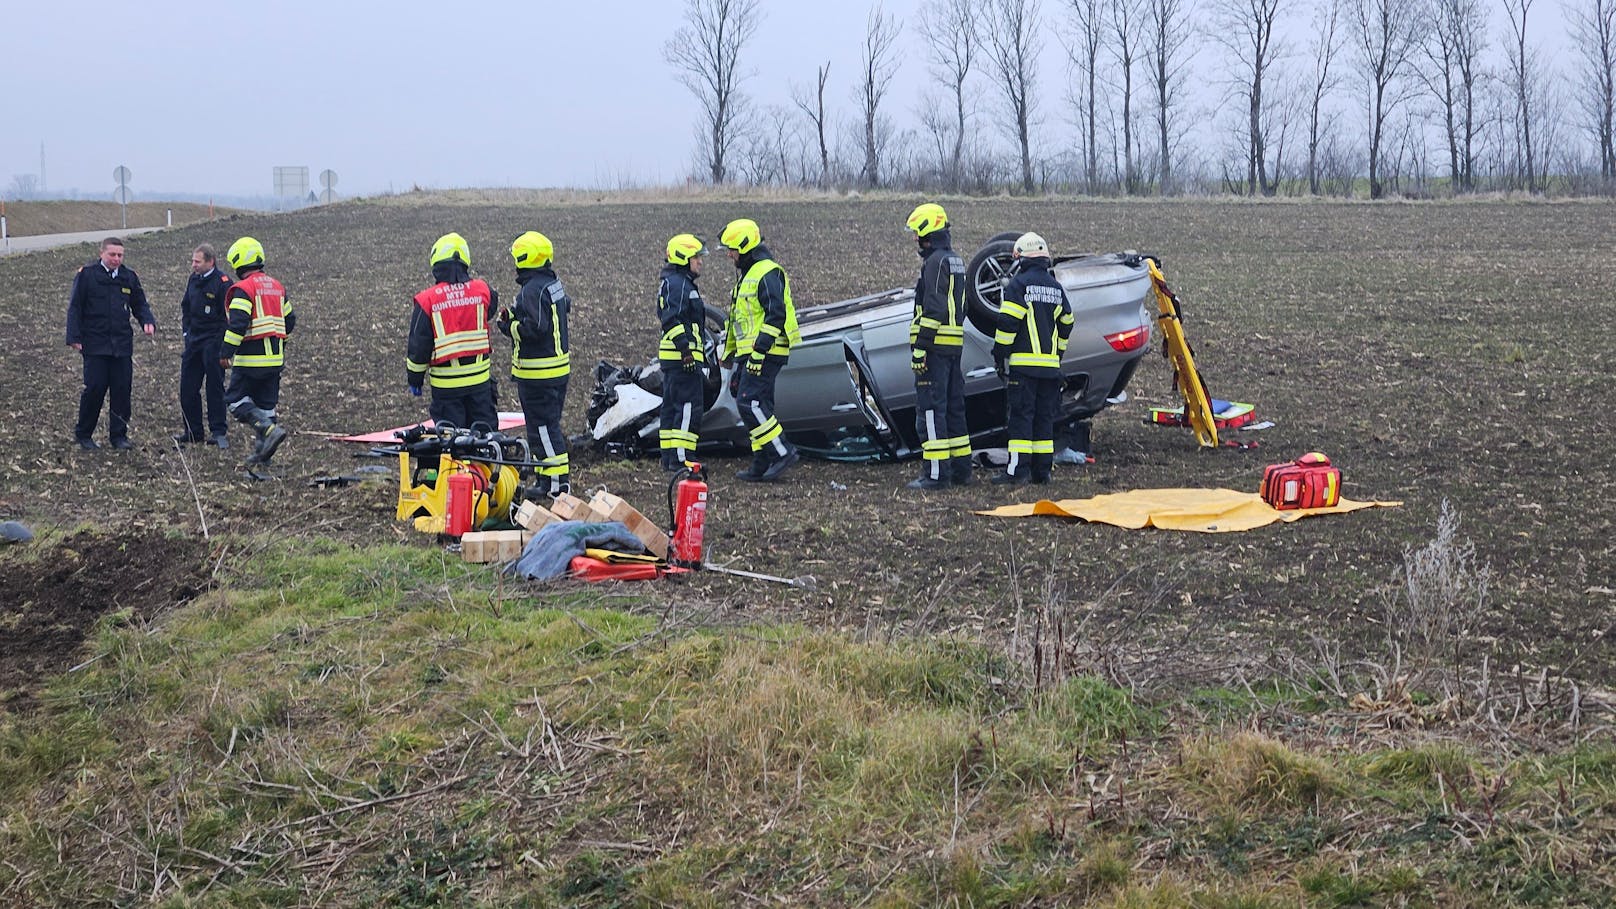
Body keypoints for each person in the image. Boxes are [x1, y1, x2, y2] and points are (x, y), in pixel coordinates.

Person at [720, 218, 799, 482]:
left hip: (766, 351)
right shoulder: (750, 275)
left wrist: (758, 352)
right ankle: (761, 463)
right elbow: (740, 322)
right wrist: (732, 357)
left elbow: (775, 315)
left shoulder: (766, 272)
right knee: (757, 404)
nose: (729, 254)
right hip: (752, 353)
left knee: (750, 402)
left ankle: (781, 451)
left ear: (745, 246)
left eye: (732, 249)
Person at [992, 232, 1073, 485]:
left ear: (1021, 258)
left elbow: (1007, 324)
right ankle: (1042, 472)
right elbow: (1067, 323)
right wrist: (1057, 354)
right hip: (1050, 370)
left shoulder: (1018, 286)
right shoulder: (1055, 288)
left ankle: (1017, 471)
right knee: (1043, 419)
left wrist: (999, 355)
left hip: (1024, 368)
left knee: (1021, 419)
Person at [496, 231, 571, 495]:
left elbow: (536, 327)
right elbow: (556, 310)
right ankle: (549, 480)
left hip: (539, 374)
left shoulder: (531, 288)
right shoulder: (552, 283)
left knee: (543, 430)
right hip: (557, 371)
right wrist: (518, 312)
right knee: (547, 428)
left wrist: (509, 326)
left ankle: (554, 486)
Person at [904, 203, 971, 489]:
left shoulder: (934, 263)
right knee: (954, 410)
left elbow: (933, 307)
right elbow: (961, 306)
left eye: (917, 234)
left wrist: (921, 346)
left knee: (930, 411)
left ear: (926, 232)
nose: (916, 241)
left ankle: (935, 475)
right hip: (953, 347)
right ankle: (960, 471)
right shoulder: (955, 260)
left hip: (934, 349)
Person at [66, 236, 156, 450]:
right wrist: (74, 337)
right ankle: (84, 435)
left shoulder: (129, 277)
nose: (117, 259)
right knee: (94, 389)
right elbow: (75, 307)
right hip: (95, 344)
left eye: (120, 255)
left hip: (121, 345)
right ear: (102, 254)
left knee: (122, 391)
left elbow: (140, 304)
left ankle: (119, 436)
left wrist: (147, 321)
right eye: (112, 255)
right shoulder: (87, 275)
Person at [407, 232, 500, 432]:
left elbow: (418, 347)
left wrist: (415, 380)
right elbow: (489, 309)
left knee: (452, 444)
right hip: (480, 384)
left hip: (447, 389)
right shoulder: (483, 290)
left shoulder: (427, 301)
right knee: (486, 441)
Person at [219, 237, 294, 466]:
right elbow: (290, 320)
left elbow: (238, 324)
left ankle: (269, 430)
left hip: (250, 359)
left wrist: (226, 352)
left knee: (235, 401)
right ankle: (264, 457)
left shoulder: (244, 289)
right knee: (266, 406)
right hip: (274, 359)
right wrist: (280, 343)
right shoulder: (277, 287)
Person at [657, 234, 709, 471]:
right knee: (688, 407)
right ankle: (682, 458)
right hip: (682, 358)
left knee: (671, 407)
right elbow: (672, 319)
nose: (700, 262)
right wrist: (686, 350)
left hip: (674, 358)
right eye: (696, 257)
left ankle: (669, 458)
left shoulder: (676, 283)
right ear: (683, 258)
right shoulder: (678, 285)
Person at [173, 244, 233, 448]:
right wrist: (186, 332)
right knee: (187, 388)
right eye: (193, 261)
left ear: (210, 262)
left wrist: (221, 343)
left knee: (214, 387)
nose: (193, 265)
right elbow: (186, 307)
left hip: (213, 341)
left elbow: (228, 317)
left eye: (197, 262)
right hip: (194, 341)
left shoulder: (223, 283)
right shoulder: (193, 280)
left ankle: (218, 431)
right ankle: (192, 431)